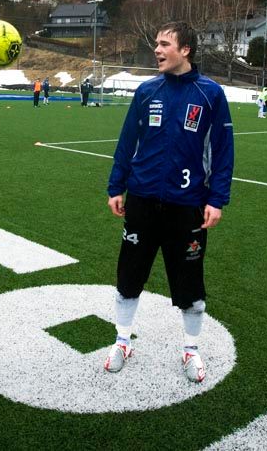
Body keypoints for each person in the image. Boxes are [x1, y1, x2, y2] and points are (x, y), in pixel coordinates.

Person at [105, 22, 234, 384]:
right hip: (142, 201)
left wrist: (217, 199)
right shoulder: (147, 91)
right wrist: (116, 186)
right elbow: (127, 141)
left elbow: (223, 151)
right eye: (157, 44)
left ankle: (191, 349)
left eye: (164, 44)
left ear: (185, 49)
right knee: (129, 278)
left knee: (189, 284)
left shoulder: (210, 94)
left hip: (187, 206)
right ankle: (122, 341)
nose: (157, 50)